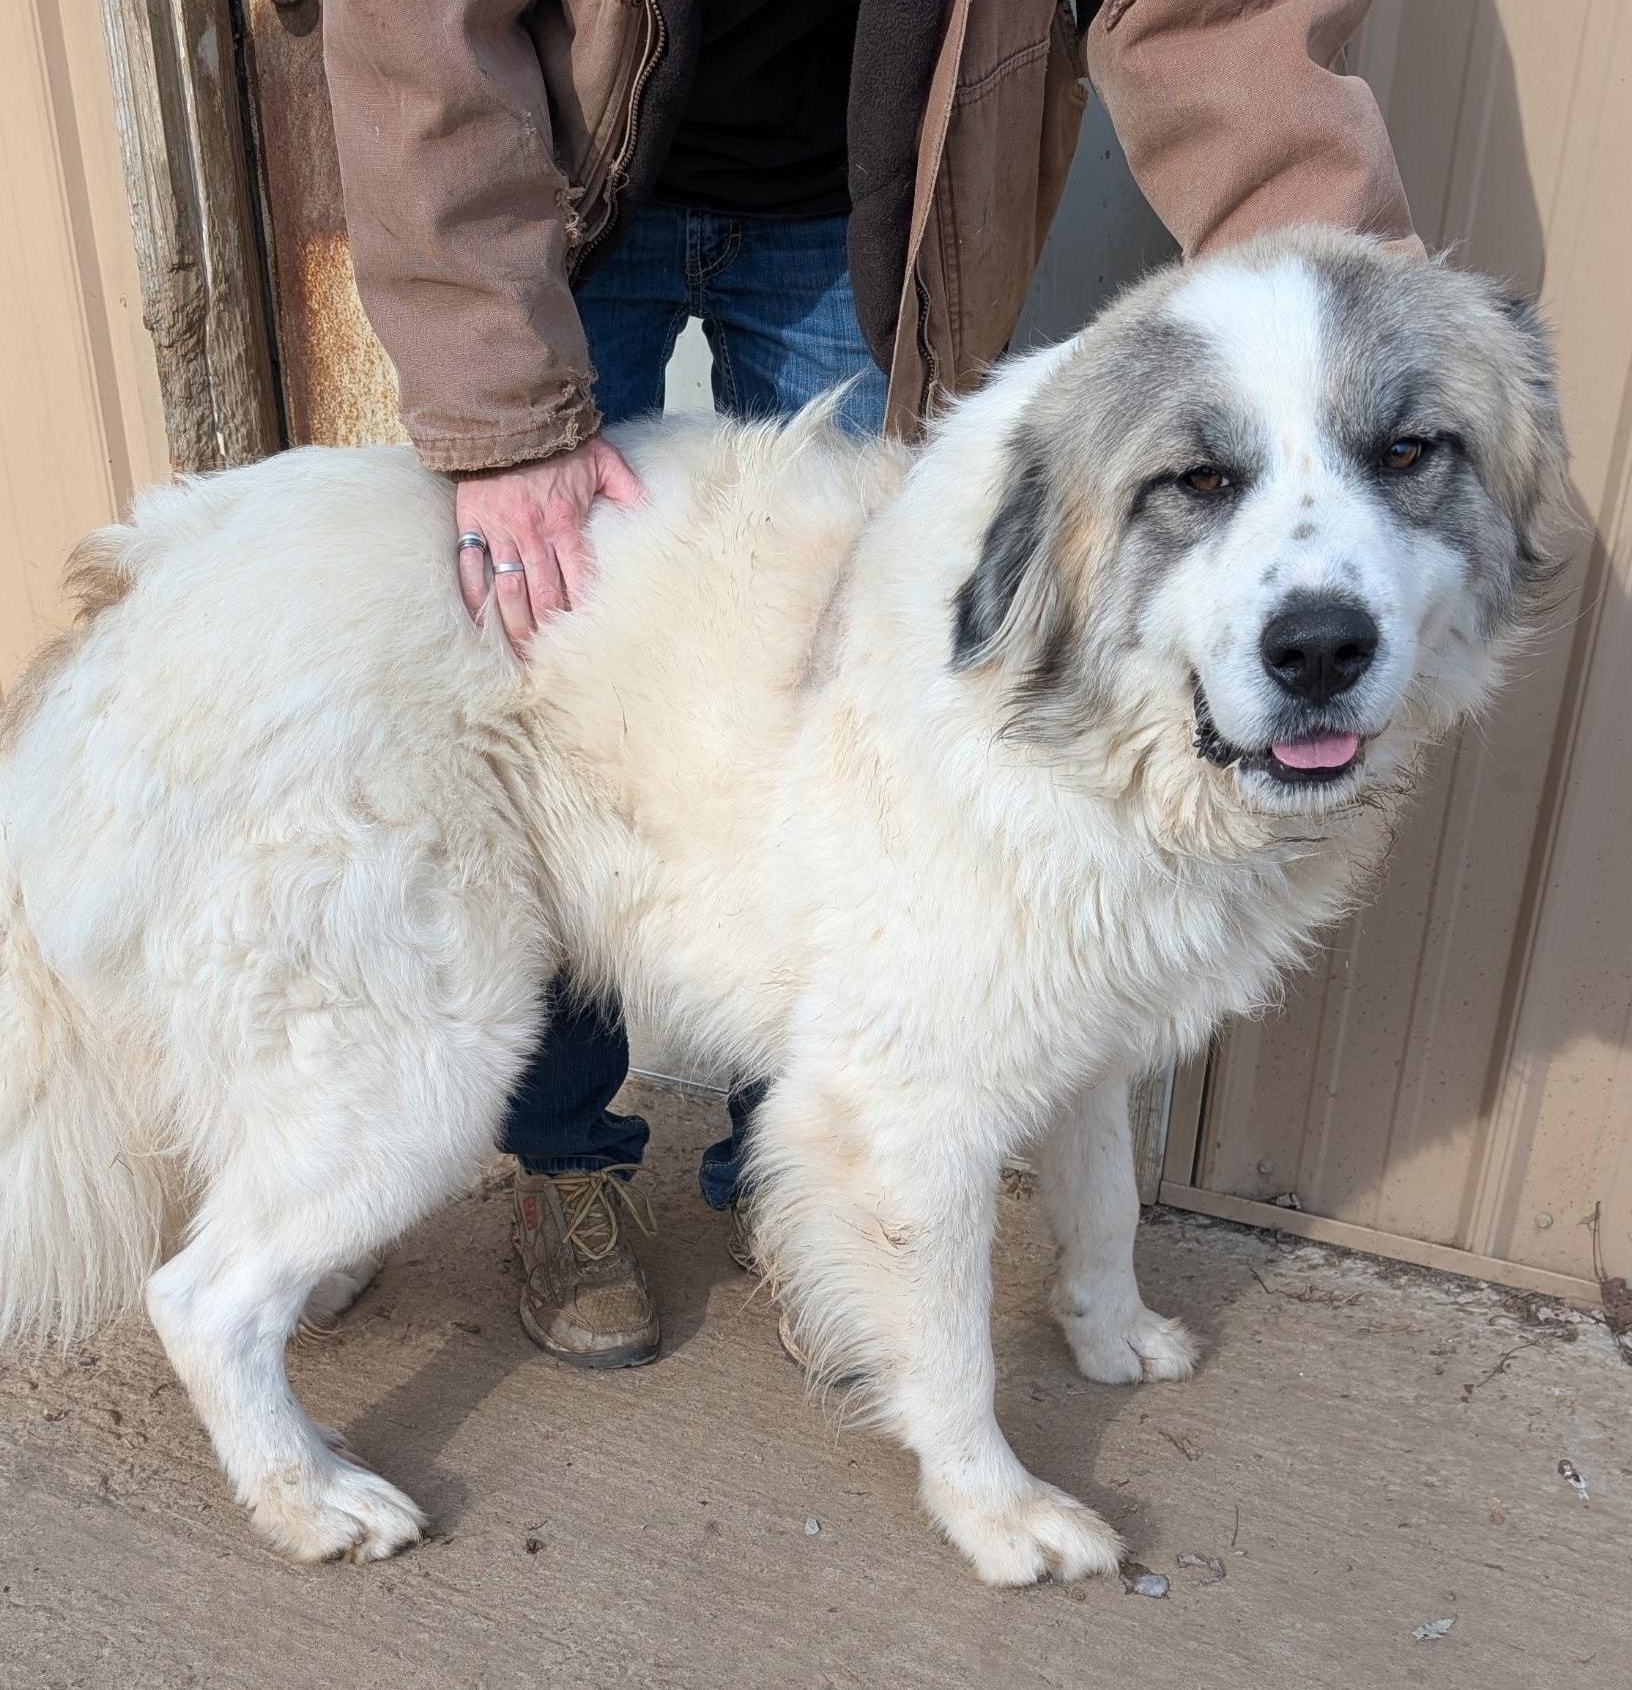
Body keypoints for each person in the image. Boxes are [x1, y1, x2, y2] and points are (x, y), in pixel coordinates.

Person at [321, 0, 1420, 1369]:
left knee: (828, 775)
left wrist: (1354, 307)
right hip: (549, 193)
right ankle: (565, 1170)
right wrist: (491, 398)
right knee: (544, 706)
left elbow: (1205, 18)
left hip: (850, 214)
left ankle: (787, 1185)